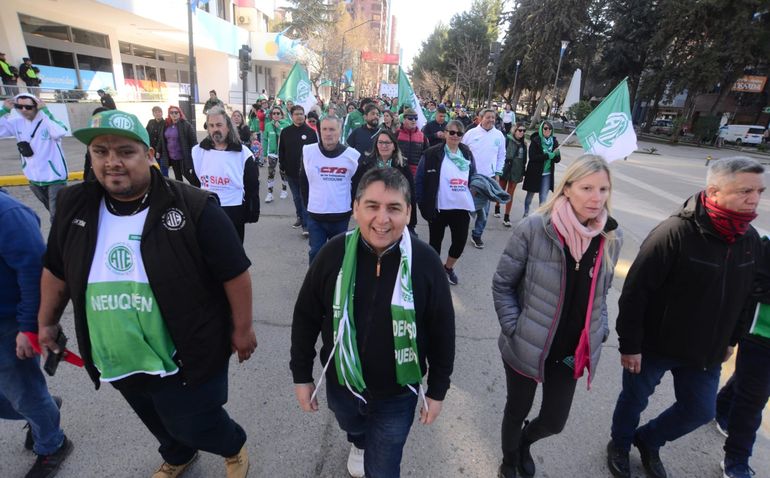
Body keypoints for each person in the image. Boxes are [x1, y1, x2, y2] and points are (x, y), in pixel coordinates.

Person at [40, 109, 256, 478]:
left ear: (149, 154)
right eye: (100, 152)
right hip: (116, 352)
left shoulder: (193, 206)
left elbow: (235, 273)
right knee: (154, 417)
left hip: (183, 351)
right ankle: (178, 454)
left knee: (194, 419)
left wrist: (242, 329)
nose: (112, 162)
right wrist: (46, 322)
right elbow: (56, 269)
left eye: (125, 151)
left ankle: (232, 445)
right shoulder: (74, 204)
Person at [291, 167, 455, 478]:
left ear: (408, 212)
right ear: (355, 209)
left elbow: (442, 331)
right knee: (351, 425)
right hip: (343, 383)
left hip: (398, 392)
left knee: (383, 469)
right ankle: (358, 440)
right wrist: (301, 375)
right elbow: (305, 317)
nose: (382, 219)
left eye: (394, 208)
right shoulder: (333, 253)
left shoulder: (426, 262)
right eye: (372, 206)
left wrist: (437, 390)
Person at [606, 157, 765, 478]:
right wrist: (630, 345)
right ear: (714, 192)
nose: (755, 199)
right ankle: (619, 444)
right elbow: (636, 293)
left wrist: (730, 341)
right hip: (654, 347)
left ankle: (648, 440)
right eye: (746, 191)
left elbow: (745, 299)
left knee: (699, 410)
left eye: (760, 191)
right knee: (634, 400)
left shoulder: (749, 241)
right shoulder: (675, 232)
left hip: (705, 353)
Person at [493, 155, 622, 478]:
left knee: (554, 420)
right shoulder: (535, 228)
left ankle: (524, 443)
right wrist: (514, 327)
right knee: (517, 409)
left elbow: (602, 294)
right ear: (567, 189)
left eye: (603, 189)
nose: (596, 197)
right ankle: (509, 460)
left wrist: (599, 330)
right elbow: (503, 283)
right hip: (528, 343)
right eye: (587, 188)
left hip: (570, 352)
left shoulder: (610, 237)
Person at [0, 187, 72, 478]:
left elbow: (36, 273)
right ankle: (43, 410)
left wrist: (30, 329)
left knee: (25, 394)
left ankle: (52, 444)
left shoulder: (9, 214)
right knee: (24, 398)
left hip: (7, 324)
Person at [715, 247, 770, 478]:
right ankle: (736, 460)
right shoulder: (766, 246)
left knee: (750, 383)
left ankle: (722, 407)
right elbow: (754, 285)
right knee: (754, 398)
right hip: (762, 332)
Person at [415, 120, 477, 285]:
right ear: (445, 133)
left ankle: (448, 268)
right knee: (435, 243)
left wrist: (475, 193)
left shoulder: (467, 153)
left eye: (459, 133)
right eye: (452, 132)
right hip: (439, 208)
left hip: (461, 207)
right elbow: (419, 180)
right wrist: (422, 204)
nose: (455, 136)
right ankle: (434, 272)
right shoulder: (431, 153)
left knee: (459, 243)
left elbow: (474, 177)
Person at [192, 106, 260, 243]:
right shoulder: (197, 151)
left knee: (234, 251)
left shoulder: (243, 153)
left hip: (234, 209)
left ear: (228, 127)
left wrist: (252, 211)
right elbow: (197, 181)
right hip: (208, 208)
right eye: (211, 125)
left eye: (219, 125)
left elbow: (251, 185)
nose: (215, 129)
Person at [299, 116, 360, 264]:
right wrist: (310, 204)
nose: (328, 133)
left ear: (340, 132)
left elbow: (357, 185)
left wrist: (351, 206)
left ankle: (336, 285)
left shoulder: (352, 156)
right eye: (324, 129)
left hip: (340, 216)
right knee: (316, 253)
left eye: (332, 129)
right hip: (315, 216)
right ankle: (315, 285)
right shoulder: (308, 152)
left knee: (338, 256)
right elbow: (303, 182)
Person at [0, 94, 68, 220]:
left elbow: (60, 131)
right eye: (19, 106)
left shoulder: (47, 121)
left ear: (36, 106)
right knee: (55, 213)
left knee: (56, 216)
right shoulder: (16, 123)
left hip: (54, 178)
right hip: (34, 179)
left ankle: (61, 239)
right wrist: (4, 111)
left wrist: (45, 111)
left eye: (28, 107)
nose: (23, 110)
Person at [461, 108, 506, 249]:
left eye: (493, 117)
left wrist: (498, 172)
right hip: (472, 177)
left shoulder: (499, 136)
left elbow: (501, 156)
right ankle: (461, 233)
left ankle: (477, 235)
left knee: (484, 211)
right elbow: (461, 152)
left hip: (489, 178)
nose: (491, 120)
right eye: (488, 117)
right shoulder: (470, 134)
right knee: (467, 208)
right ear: (480, 118)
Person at [278, 105, 318, 235]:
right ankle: (300, 217)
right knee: (296, 197)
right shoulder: (285, 132)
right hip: (290, 171)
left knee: (304, 197)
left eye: (301, 114)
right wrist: (282, 167)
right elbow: (282, 151)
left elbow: (316, 153)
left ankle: (306, 225)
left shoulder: (311, 132)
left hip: (306, 173)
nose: (299, 116)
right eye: (296, 114)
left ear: (304, 115)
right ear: (292, 116)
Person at [522, 121, 560, 218]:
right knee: (530, 196)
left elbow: (557, 160)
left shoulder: (554, 142)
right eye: (545, 128)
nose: (548, 130)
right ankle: (526, 214)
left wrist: (557, 155)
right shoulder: (536, 140)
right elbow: (533, 157)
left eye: (550, 129)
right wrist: (547, 155)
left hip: (547, 174)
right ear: (541, 129)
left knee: (543, 198)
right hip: (535, 173)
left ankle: (539, 218)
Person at [494, 122, 528, 227]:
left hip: (516, 171)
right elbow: (500, 155)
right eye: (520, 130)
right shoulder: (507, 139)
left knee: (510, 194)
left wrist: (522, 173)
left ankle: (506, 216)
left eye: (524, 131)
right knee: (501, 190)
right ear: (515, 131)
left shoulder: (524, 144)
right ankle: (497, 206)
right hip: (506, 169)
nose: (522, 133)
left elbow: (524, 160)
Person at [158, 105, 197, 184]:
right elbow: (161, 139)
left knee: (187, 175)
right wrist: (158, 150)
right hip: (172, 157)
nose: (174, 114)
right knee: (178, 177)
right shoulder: (166, 125)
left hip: (183, 156)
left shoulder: (186, 125)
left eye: (176, 112)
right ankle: (181, 193)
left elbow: (193, 141)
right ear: (169, 114)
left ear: (180, 113)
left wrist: (196, 154)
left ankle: (198, 189)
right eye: (171, 112)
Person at [263, 106, 291, 203]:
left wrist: (279, 128)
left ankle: (284, 190)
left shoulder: (287, 124)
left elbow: (287, 139)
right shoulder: (268, 125)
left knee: (283, 172)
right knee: (271, 173)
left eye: (278, 113)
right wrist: (264, 154)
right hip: (272, 153)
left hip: (283, 153)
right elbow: (265, 140)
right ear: (271, 115)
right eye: (274, 113)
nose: (276, 115)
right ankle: (270, 193)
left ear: (281, 115)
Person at [397, 108, 430, 177]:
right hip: (399, 173)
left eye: (416, 118)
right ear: (404, 119)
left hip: (416, 174)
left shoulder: (422, 136)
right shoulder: (397, 134)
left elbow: (426, 156)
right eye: (410, 118)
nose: (413, 120)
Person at [145, 106, 166, 175]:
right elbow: (146, 133)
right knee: (154, 170)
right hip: (152, 150)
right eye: (155, 112)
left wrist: (159, 150)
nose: (158, 114)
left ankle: (165, 184)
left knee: (164, 171)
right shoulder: (150, 122)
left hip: (163, 151)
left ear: (162, 113)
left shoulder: (165, 123)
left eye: (159, 112)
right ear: (153, 114)